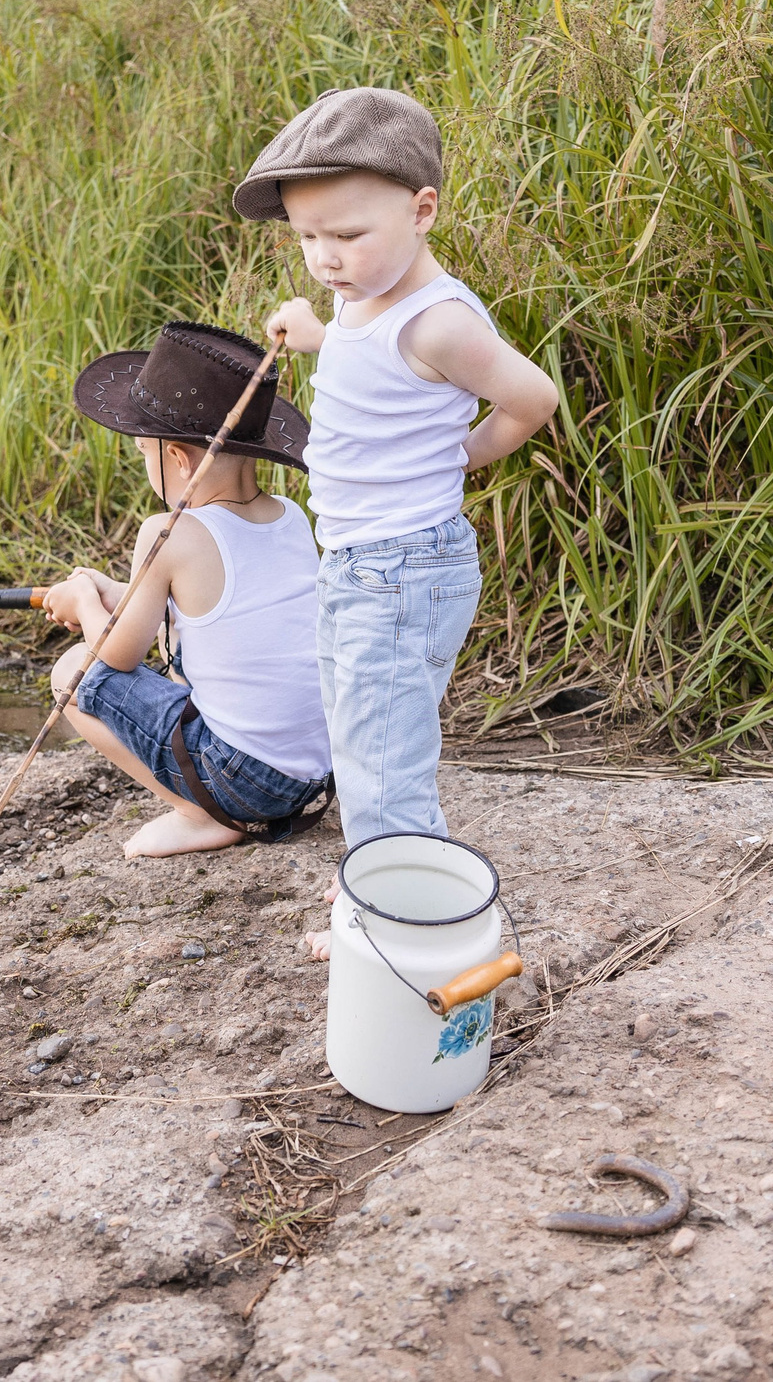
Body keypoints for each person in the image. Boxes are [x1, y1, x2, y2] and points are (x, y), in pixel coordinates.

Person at [243, 88, 560, 956]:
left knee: (385, 766)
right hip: (353, 563)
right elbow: (361, 349)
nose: (326, 259)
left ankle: (413, 930)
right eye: (308, 238)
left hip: (405, 568)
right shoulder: (363, 300)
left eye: (347, 236)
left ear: (422, 211)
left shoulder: (441, 322)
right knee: (356, 741)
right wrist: (312, 332)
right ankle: (384, 893)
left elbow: (533, 398)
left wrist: (456, 457)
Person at [41, 321, 335, 859]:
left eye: (145, 457)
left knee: (72, 669)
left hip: (245, 783)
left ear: (177, 458)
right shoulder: (291, 517)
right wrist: (114, 589)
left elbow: (118, 655)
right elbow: (215, 611)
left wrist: (84, 601)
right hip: (316, 774)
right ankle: (213, 802)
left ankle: (200, 813)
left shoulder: (167, 532)